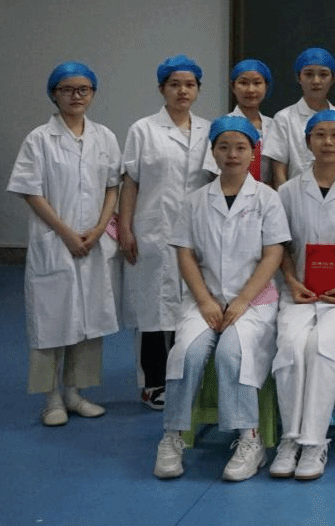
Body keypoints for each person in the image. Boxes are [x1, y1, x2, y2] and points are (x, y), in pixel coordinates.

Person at [152, 116, 288, 482]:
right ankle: (173, 435)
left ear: (253, 152)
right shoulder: (195, 201)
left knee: (232, 353)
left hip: (254, 302)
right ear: (212, 152)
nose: (232, 154)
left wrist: (242, 301)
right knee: (186, 353)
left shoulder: (268, 199)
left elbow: (273, 254)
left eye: (241, 147)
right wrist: (205, 301)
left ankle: (250, 439)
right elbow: (185, 254)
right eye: (223, 147)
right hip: (205, 300)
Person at [7, 61, 121, 427]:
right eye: (67, 90)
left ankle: (75, 392)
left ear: (93, 94)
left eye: (83, 89)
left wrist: (100, 228)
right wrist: (67, 233)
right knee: (51, 320)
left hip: (93, 241)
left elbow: (112, 186)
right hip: (55, 242)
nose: (76, 96)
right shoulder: (39, 139)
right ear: (54, 95)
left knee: (88, 319)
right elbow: (31, 192)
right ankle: (51, 398)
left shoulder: (104, 137)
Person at [270, 110, 335, 481]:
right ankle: (289, 440)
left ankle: (314, 443)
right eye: (319, 135)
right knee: (291, 346)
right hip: (300, 291)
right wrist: (290, 280)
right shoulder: (287, 191)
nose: (327, 142)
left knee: (322, 345)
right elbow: (279, 244)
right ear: (307, 142)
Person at [120, 54, 213, 410]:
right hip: (153, 231)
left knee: (190, 307)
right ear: (162, 89)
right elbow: (131, 181)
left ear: (198, 89)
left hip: (196, 233)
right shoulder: (143, 130)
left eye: (189, 85)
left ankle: (190, 377)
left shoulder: (208, 130)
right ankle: (153, 383)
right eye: (174, 84)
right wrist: (125, 227)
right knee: (153, 310)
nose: (182, 91)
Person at [264, 47, 335, 187]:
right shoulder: (284, 118)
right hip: (296, 195)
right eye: (309, 74)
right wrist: (285, 197)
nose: (316, 81)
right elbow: (279, 170)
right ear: (299, 77)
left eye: (323, 74)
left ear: (333, 79)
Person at [225, 59, 274, 183]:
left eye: (257, 83)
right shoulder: (223, 125)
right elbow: (213, 172)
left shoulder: (274, 126)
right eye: (243, 83)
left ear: (266, 86)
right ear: (233, 86)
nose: (250, 90)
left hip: (266, 192)